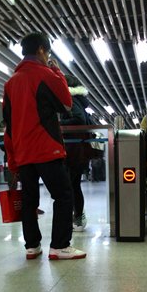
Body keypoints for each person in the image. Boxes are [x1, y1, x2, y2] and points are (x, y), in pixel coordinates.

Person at [3, 32, 86, 260]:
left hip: (23, 152)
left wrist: (12, 159)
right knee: (63, 195)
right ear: (41, 50)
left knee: (29, 200)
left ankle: (32, 246)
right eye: (47, 51)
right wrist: (56, 70)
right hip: (45, 148)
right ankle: (59, 246)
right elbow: (67, 102)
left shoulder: (10, 83)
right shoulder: (44, 74)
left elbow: (8, 125)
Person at [60, 79, 95, 231]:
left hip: (73, 151)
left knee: (68, 187)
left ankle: (73, 219)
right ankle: (78, 218)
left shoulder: (71, 99)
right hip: (80, 151)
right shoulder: (79, 100)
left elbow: (79, 119)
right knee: (74, 186)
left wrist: (60, 124)